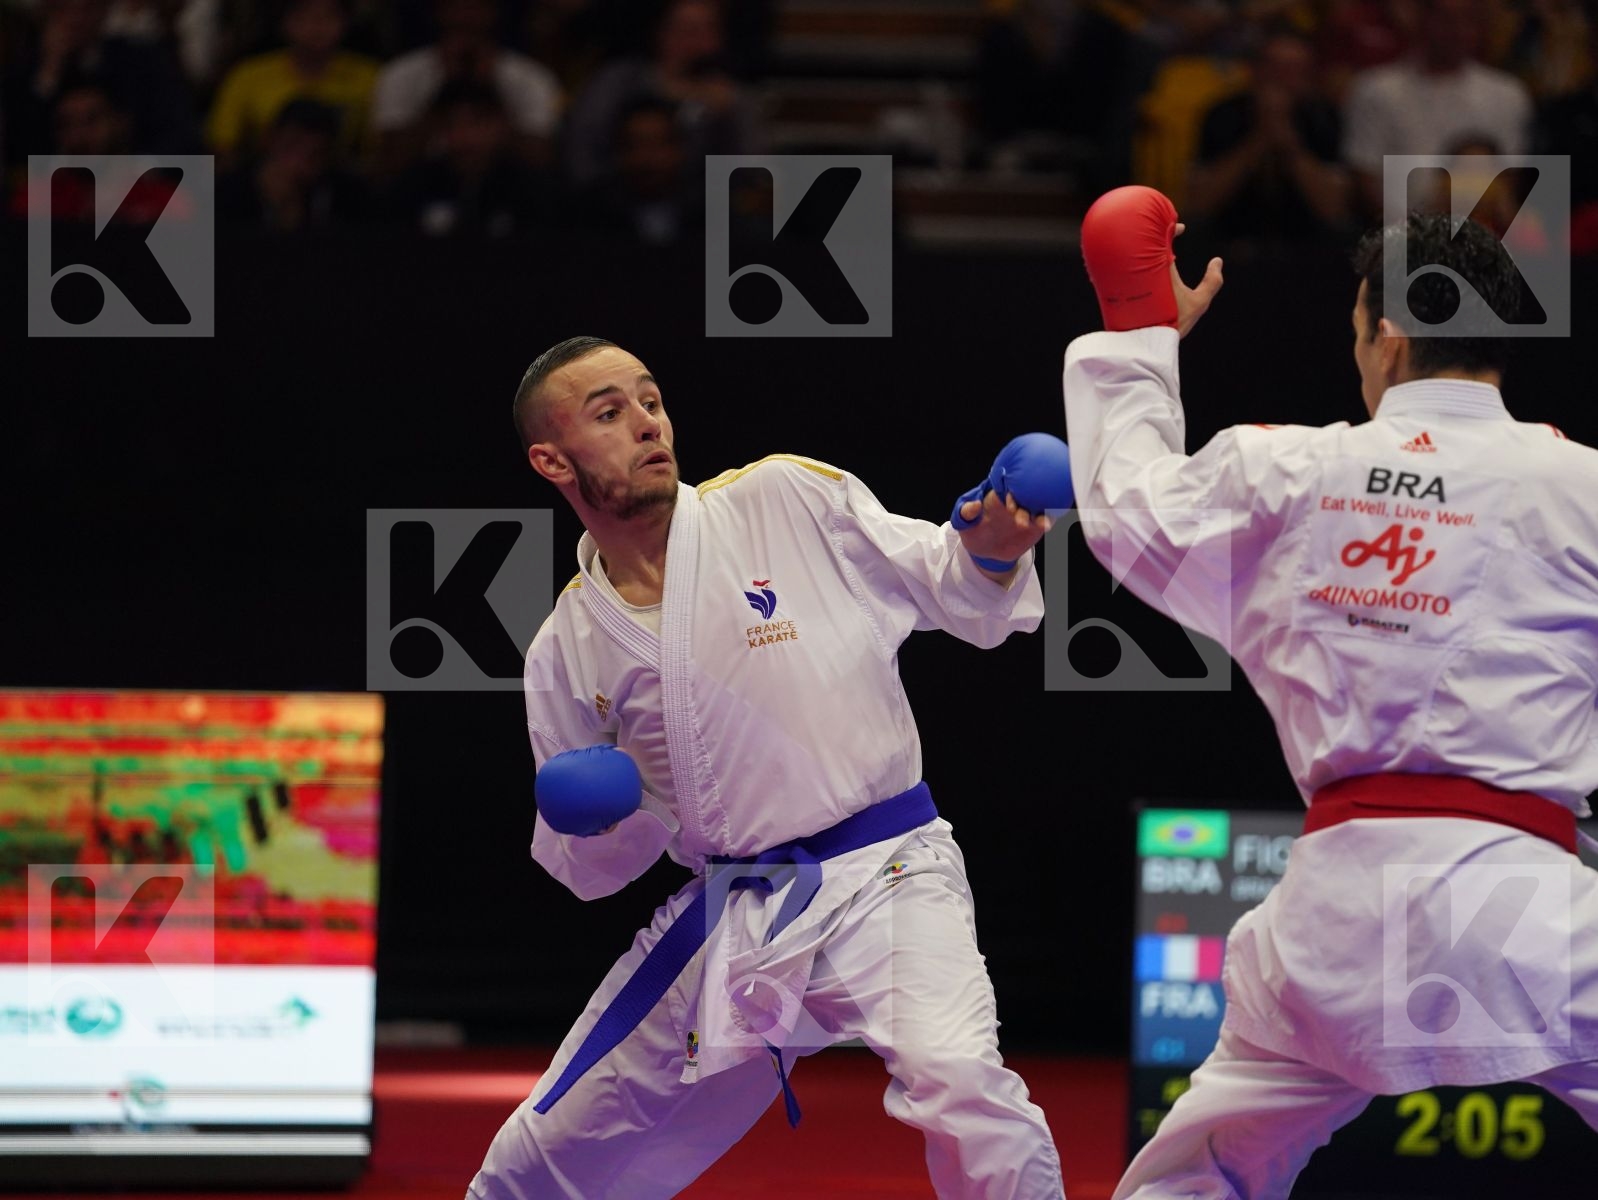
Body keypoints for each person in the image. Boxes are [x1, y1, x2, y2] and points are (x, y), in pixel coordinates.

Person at [1063, 187, 1598, 1199]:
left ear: (1387, 335)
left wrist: (1139, 333)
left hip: (1330, 927)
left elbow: (1124, 512)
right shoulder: (1578, 485)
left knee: (1189, 1181)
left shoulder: (1287, 471)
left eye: (1354, 330)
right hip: (1528, 912)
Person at [467, 338, 1066, 1199]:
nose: (646, 424)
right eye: (609, 413)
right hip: (735, 910)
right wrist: (597, 818)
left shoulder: (782, 497)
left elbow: (955, 590)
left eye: (650, 400)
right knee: (539, 1157)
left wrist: (995, 548)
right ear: (550, 459)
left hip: (887, 876)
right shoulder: (566, 649)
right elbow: (596, 875)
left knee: (964, 1085)